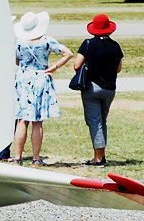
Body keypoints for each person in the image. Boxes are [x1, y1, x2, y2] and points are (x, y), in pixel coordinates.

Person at [12, 11, 73, 165]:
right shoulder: (46, 41)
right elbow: (68, 53)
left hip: (24, 78)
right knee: (37, 121)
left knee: (22, 120)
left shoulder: (18, 42)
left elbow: (16, 61)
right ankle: (36, 158)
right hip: (40, 77)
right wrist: (54, 67)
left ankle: (18, 156)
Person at [70, 13, 123, 166]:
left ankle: (98, 158)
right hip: (110, 88)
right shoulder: (115, 46)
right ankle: (102, 154)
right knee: (102, 121)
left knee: (94, 121)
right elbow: (118, 68)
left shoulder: (88, 44)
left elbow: (76, 65)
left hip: (92, 87)